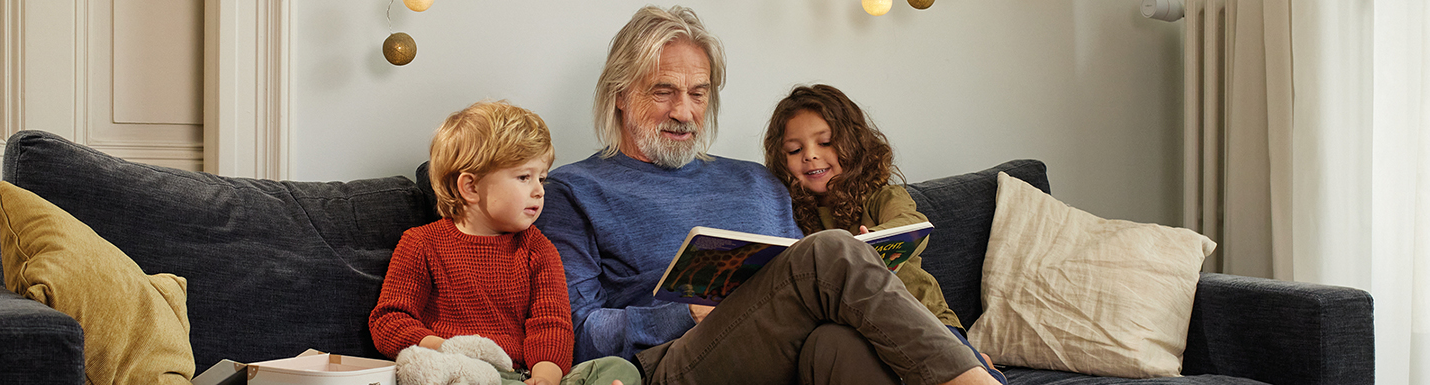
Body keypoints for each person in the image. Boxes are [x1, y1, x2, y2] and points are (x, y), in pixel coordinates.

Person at [536, 6, 1001, 385]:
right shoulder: (573, 192)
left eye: (698, 94)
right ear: (619, 93)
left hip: (786, 351)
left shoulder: (756, 180)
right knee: (829, 252)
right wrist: (683, 314)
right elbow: (576, 334)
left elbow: (805, 289)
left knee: (836, 346)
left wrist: (952, 342)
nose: (684, 111)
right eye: (664, 91)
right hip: (676, 363)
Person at [370, 101, 640, 385]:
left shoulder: (539, 249)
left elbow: (551, 325)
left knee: (620, 369)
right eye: (524, 177)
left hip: (521, 375)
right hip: (459, 370)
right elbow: (390, 319)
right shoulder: (421, 243)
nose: (538, 191)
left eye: (542, 178)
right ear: (471, 187)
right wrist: (442, 349)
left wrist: (545, 378)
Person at [762, 84, 1007, 385]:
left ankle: (980, 367)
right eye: (795, 150)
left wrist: (871, 240)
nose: (811, 156)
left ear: (852, 144)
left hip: (925, 319)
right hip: (857, 336)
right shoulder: (791, 215)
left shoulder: (881, 197)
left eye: (824, 142)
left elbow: (911, 223)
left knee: (956, 361)